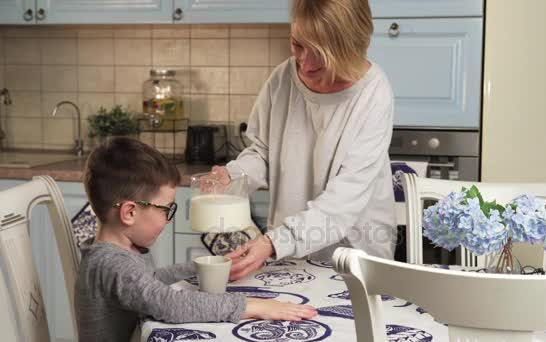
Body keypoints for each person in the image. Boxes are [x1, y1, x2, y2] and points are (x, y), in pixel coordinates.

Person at [208, 0, 397, 280]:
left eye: (320, 53)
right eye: (298, 45)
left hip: (355, 256)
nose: (305, 63)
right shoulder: (282, 78)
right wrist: (234, 177)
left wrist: (274, 242)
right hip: (291, 255)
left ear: (349, 46)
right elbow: (262, 151)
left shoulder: (373, 93)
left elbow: (343, 201)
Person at [76, 137, 317, 342]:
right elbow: (168, 303)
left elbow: (149, 282)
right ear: (130, 212)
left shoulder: (115, 254)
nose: (169, 220)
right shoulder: (113, 264)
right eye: (166, 210)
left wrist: (201, 267)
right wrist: (249, 306)